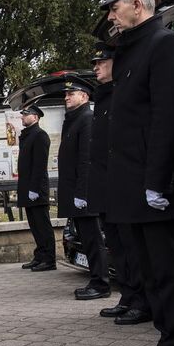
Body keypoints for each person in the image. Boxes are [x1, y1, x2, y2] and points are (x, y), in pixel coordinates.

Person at [100, 0, 174, 346]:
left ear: (137, 6)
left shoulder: (166, 46)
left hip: (155, 186)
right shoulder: (133, 51)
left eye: (114, 7)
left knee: (169, 274)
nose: (110, 16)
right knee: (152, 274)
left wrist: (158, 181)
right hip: (133, 186)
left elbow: (168, 121)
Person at [88, 44, 151, 325]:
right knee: (118, 248)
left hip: (123, 185)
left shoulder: (122, 93)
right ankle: (128, 296)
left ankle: (142, 301)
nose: (96, 67)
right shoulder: (103, 97)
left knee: (132, 248)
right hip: (106, 187)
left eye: (101, 62)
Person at [58, 78, 110, 299]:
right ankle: (96, 279)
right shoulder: (74, 119)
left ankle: (101, 283)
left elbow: (86, 160)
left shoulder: (86, 118)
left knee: (93, 240)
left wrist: (82, 193)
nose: (67, 97)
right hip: (75, 193)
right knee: (87, 240)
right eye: (66, 94)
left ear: (84, 96)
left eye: (71, 94)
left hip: (83, 194)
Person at [17, 105, 56, 272]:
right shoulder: (27, 135)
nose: (22, 117)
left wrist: (34, 188)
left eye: (26, 114)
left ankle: (49, 259)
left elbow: (39, 165)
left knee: (43, 226)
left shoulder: (40, 135)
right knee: (35, 226)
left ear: (35, 117)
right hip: (28, 188)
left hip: (36, 190)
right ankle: (40, 256)